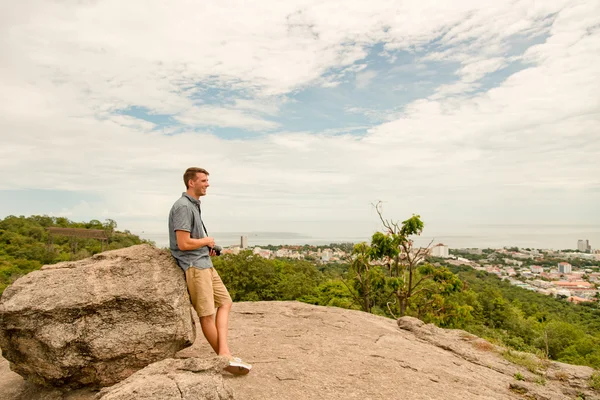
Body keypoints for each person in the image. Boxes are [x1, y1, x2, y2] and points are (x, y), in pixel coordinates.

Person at [168, 167, 251, 374]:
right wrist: (206, 240)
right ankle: (225, 358)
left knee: (225, 302)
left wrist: (206, 246)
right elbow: (183, 243)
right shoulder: (183, 207)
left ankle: (224, 354)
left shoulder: (193, 205)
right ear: (191, 183)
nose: (207, 184)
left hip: (204, 262)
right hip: (194, 266)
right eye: (203, 180)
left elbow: (191, 241)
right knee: (206, 314)